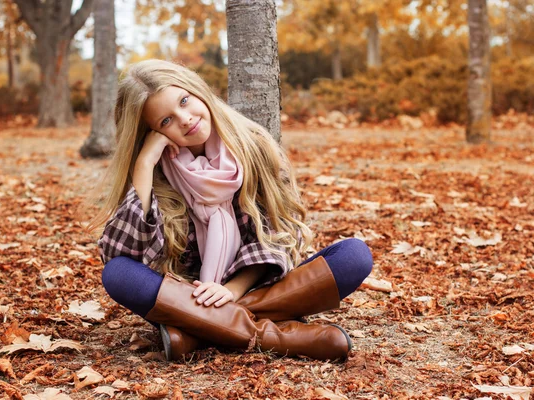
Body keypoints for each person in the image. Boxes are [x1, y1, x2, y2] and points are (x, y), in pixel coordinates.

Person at [87, 59, 373, 361]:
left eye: (184, 101)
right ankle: (280, 338)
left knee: (353, 256)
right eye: (165, 121)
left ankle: (194, 332)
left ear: (198, 91)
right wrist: (144, 166)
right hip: (186, 296)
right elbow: (122, 254)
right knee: (119, 274)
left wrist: (233, 291)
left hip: (247, 287)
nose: (185, 119)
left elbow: (278, 235)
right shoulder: (156, 171)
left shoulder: (255, 147)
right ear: (151, 133)